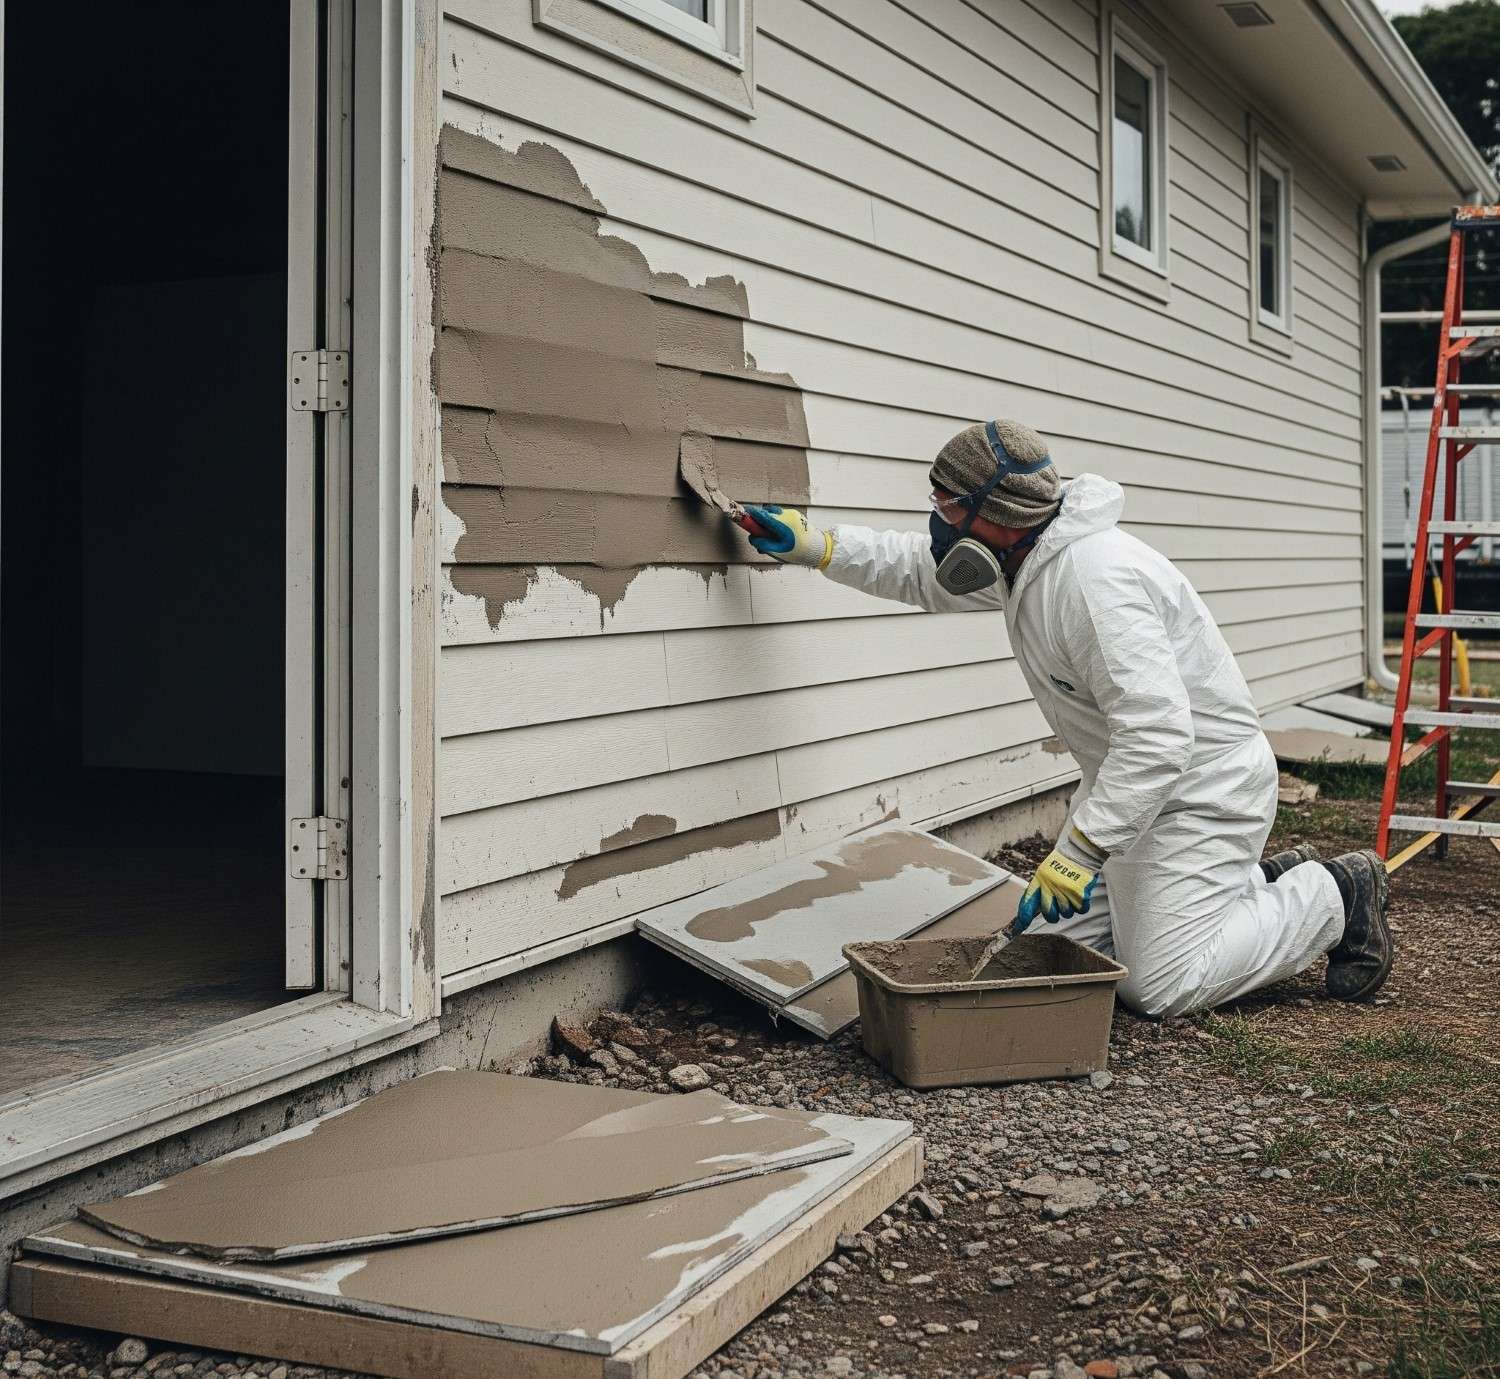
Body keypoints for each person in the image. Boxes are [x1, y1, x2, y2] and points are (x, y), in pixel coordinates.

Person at [741, 419, 1393, 1018]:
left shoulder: (1091, 580)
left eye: (946, 504)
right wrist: (817, 545)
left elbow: (1161, 736)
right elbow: (921, 570)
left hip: (1198, 793)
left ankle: (1333, 895)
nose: (937, 519)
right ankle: (1249, 890)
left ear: (991, 510)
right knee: (1060, 953)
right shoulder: (1021, 557)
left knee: (1156, 983)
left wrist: (1080, 851)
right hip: (1133, 794)